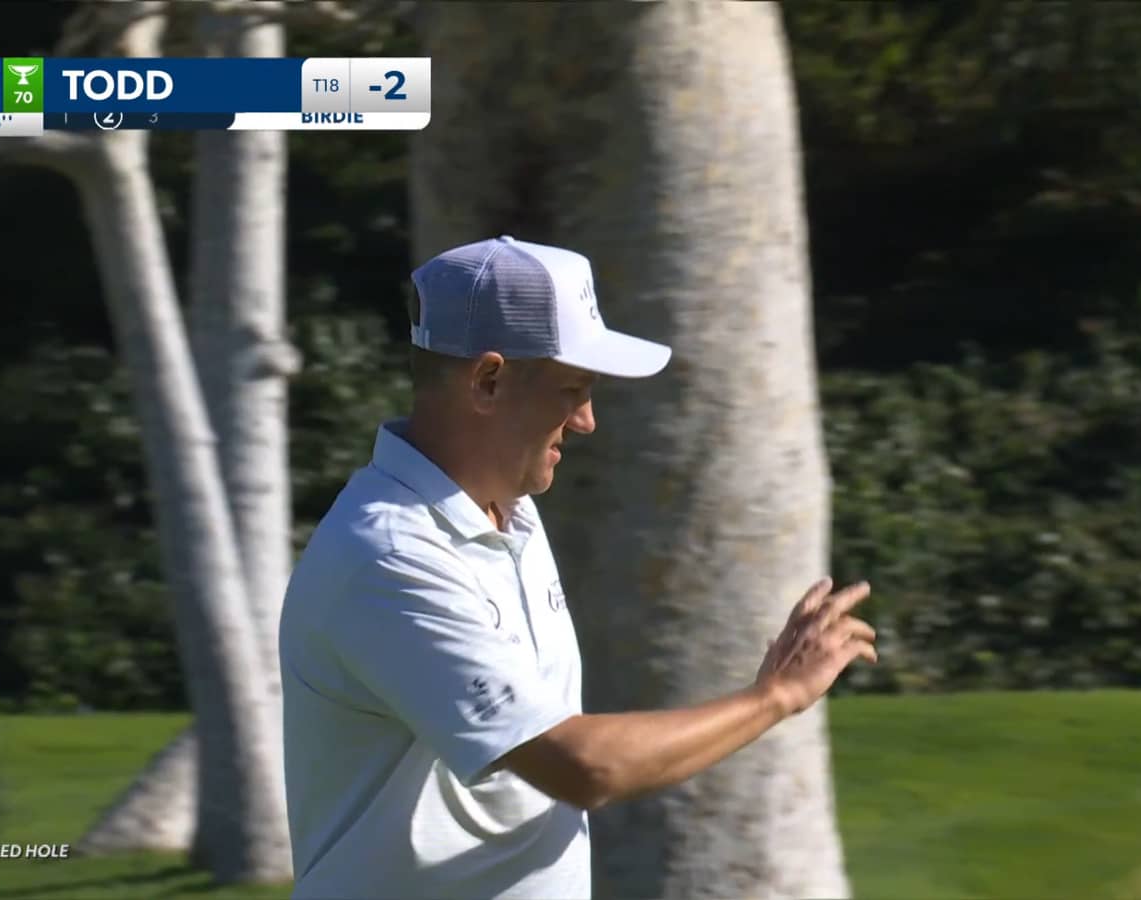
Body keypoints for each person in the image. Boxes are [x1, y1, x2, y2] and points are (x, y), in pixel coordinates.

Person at [278, 235, 877, 900]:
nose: (588, 421)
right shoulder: (389, 555)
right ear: (488, 381)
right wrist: (776, 697)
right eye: (572, 389)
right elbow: (581, 767)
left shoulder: (512, 513)